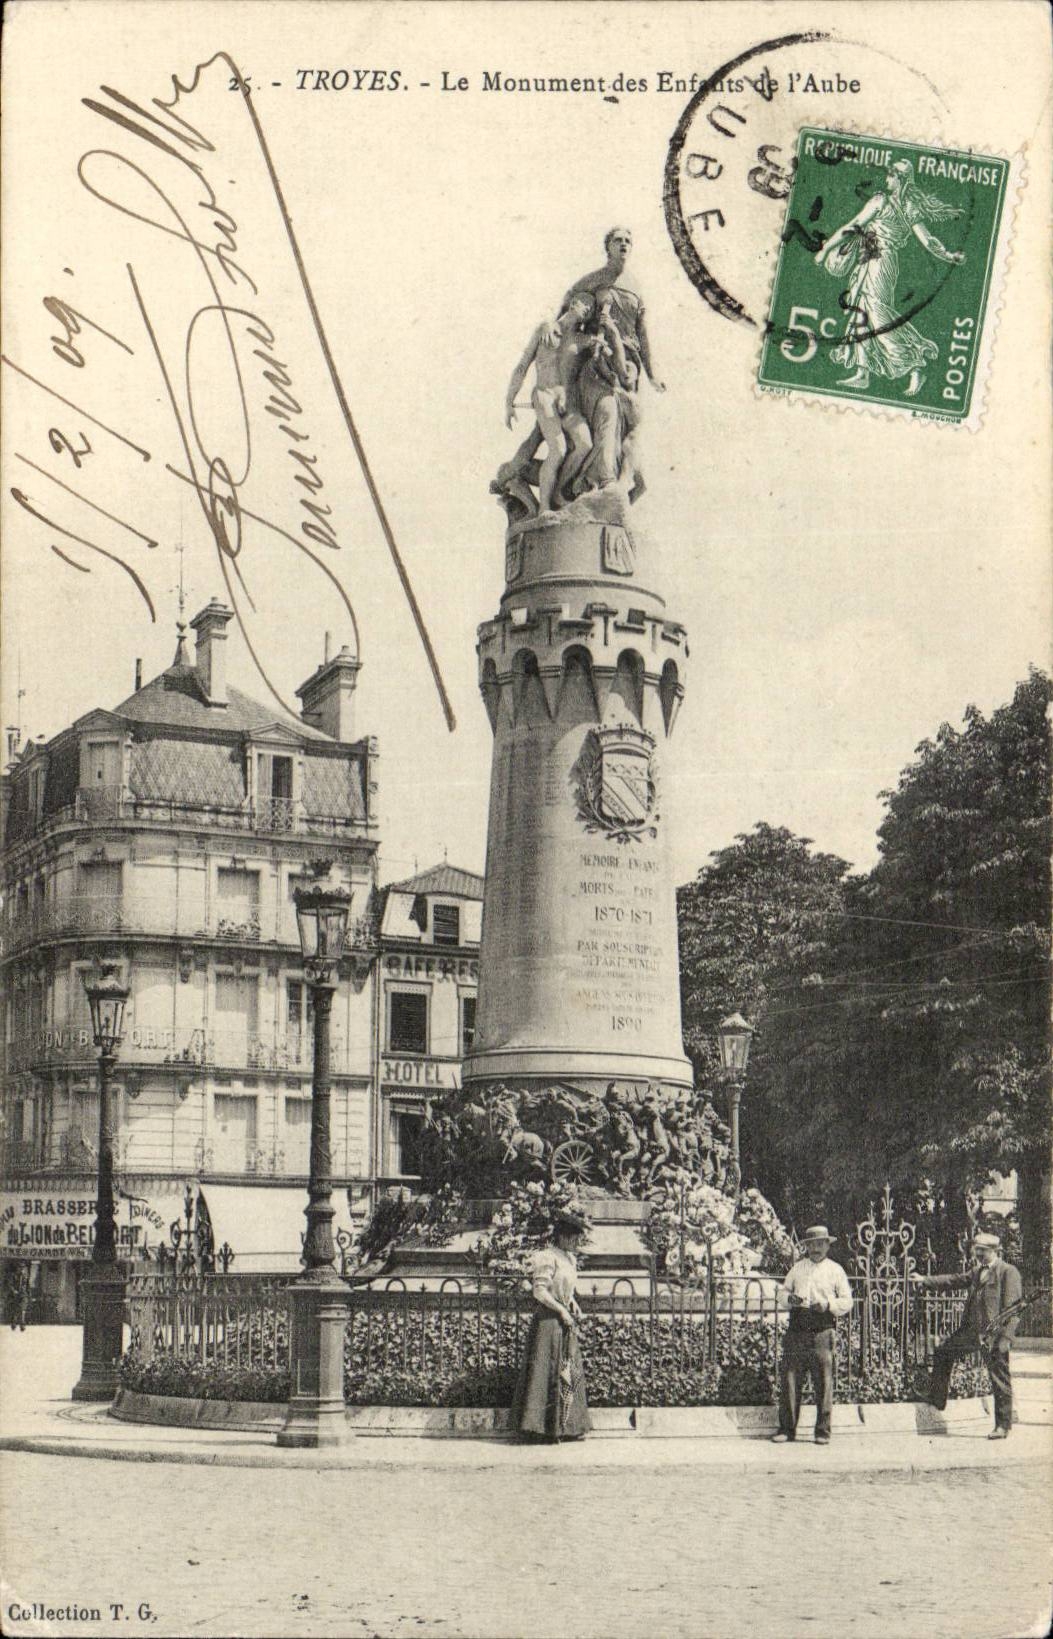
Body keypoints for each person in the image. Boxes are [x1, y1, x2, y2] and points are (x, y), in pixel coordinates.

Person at [815, 157, 965, 398]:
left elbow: (852, 226)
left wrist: (825, 250)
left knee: (876, 312)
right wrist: (947, 255)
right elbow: (929, 241)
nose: (887, 178)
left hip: (879, 263)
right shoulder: (909, 207)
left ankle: (915, 363)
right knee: (860, 310)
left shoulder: (881, 201)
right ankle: (862, 372)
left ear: (899, 178)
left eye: (891, 174)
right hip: (871, 260)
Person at [912, 1230, 1023, 1438]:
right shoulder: (977, 1271)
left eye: (982, 1251)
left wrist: (1006, 1338)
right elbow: (954, 1280)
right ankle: (938, 1399)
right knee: (944, 1352)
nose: (978, 1254)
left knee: (999, 1379)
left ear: (994, 1251)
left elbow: (1014, 1310)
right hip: (971, 1332)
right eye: (977, 1250)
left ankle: (1002, 1426)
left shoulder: (1008, 1272)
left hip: (993, 1336)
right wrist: (925, 1280)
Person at [504, 293, 595, 514]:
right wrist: (509, 401)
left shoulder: (580, 339)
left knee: (585, 444)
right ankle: (544, 506)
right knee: (558, 449)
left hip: (565, 402)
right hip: (544, 395)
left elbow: (605, 346)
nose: (586, 308)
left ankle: (559, 491)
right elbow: (522, 366)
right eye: (585, 304)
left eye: (590, 308)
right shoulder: (545, 328)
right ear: (573, 304)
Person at [510, 1207, 592, 1442]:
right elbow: (540, 1291)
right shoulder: (547, 1257)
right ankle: (541, 1428)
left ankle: (566, 1427)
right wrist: (561, 1310)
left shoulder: (569, 1258)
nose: (578, 1242)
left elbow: (565, 1288)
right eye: (575, 1238)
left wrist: (572, 1303)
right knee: (546, 1373)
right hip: (548, 1321)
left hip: (564, 1318)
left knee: (568, 1371)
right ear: (564, 1236)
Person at [771, 1225, 852, 1445]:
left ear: (827, 1245)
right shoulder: (797, 1269)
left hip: (822, 1329)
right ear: (806, 1247)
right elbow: (782, 1292)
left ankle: (822, 1431)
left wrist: (827, 1305)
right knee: (790, 1379)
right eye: (811, 1244)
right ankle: (787, 1430)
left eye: (820, 1243)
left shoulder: (836, 1270)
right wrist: (790, 1300)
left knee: (823, 1381)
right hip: (797, 1327)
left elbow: (847, 1301)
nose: (816, 1248)